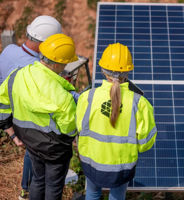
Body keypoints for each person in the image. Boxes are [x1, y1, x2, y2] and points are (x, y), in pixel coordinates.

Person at [0, 33, 78, 200]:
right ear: (60, 63)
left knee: (38, 179)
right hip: (55, 149)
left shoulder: (16, 75)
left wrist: (11, 131)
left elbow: (3, 101)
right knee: (54, 185)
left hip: (29, 141)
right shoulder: (63, 97)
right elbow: (69, 129)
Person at [76, 43, 157, 200]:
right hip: (121, 167)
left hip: (91, 162)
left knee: (92, 194)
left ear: (102, 70)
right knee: (117, 197)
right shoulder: (139, 103)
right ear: (127, 71)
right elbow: (145, 142)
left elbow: (80, 127)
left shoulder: (88, 97)